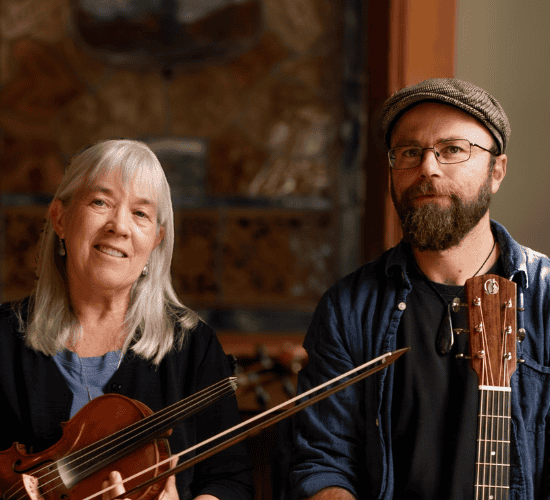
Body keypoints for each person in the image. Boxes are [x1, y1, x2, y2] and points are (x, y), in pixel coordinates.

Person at [288, 78, 550, 499]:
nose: (428, 167)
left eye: (452, 149)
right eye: (410, 152)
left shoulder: (545, 298)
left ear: (496, 171)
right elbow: (323, 460)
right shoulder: (348, 308)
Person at [0, 139, 254, 500]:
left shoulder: (194, 346)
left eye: (140, 213)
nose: (119, 226)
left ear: (156, 240)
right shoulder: (3, 339)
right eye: (100, 202)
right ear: (60, 218)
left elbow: (229, 481)